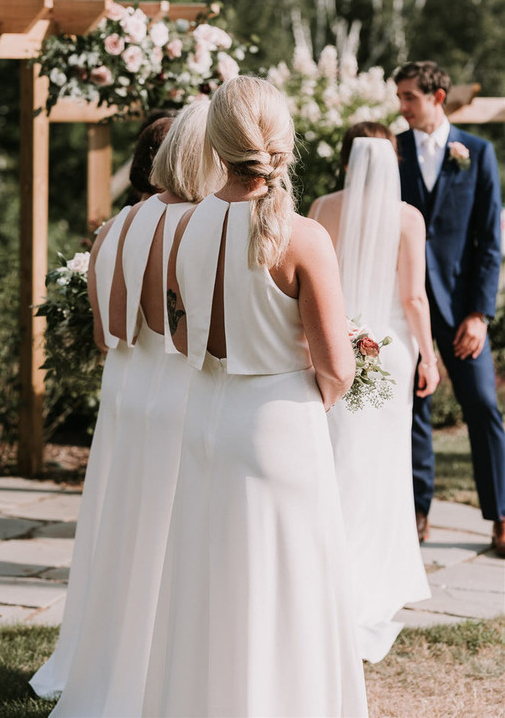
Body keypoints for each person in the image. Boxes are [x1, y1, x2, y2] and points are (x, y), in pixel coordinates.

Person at [143, 76, 368, 716]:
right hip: (279, 424)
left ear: (216, 141)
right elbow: (337, 365)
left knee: (210, 583)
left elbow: (184, 335)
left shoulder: (183, 227)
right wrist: (313, 398)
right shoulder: (303, 237)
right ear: (283, 141)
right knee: (289, 587)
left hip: (208, 417)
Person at [32, 100, 222, 713]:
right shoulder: (201, 224)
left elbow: (102, 332)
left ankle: (107, 653)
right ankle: (158, 663)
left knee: (124, 521)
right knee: (171, 530)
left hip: (125, 388)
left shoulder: (113, 227)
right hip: (177, 385)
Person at [309, 122, 438, 662]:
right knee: (383, 462)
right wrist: (428, 354)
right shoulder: (408, 217)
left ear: (345, 162)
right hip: (387, 347)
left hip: (340, 340)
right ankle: (372, 575)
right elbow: (412, 297)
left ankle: (322, 573)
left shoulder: (322, 207)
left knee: (336, 455)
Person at [394, 60, 505, 556]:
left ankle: (501, 514)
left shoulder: (477, 154)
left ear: (437, 98)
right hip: (406, 304)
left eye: (409, 97)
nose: (402, 106)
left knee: (482, 405)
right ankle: (417, 512)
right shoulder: (390, 152)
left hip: (462, 310)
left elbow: (489, 242)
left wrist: (479, 315)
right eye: (399, 97)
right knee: (411, 407)